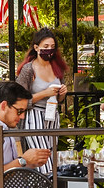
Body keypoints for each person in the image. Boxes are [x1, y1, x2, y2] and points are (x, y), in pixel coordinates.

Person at [15, 28, 68, 175]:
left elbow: (59, 100)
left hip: (53, 115)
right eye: (45, 47)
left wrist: (62, 94)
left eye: (52, 47)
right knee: (42, 157)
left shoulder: (57, 67)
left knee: (51, 155)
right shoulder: (28, 69)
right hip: (34, 116)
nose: (49, 50)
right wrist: (44, 93)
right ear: (36, 47)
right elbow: (18, 99)